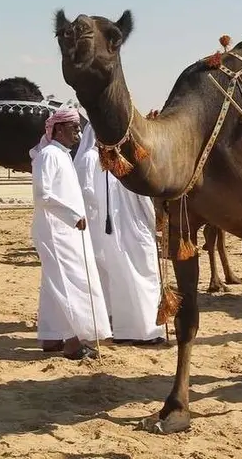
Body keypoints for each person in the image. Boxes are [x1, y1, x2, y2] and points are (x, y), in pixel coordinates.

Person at [29, 108, 112, 360]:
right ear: (59, 129)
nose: (78, 132)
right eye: (74, 128)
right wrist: (72, 216)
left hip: (67, 230)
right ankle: (73, 343)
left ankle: (51, 337)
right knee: (67, 282)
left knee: (55, 282)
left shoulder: (62, 155)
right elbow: (42, 195)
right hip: (56, 230)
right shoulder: (49, 155)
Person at [73, 123, 165, 345]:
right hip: (126, 230)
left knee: (122, 278)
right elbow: (142, 197)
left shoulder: (101, 160)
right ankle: (146, 332)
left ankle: (125, 330)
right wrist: (154, 226)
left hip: (113, 232)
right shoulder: (97, 160)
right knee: (142, 275)